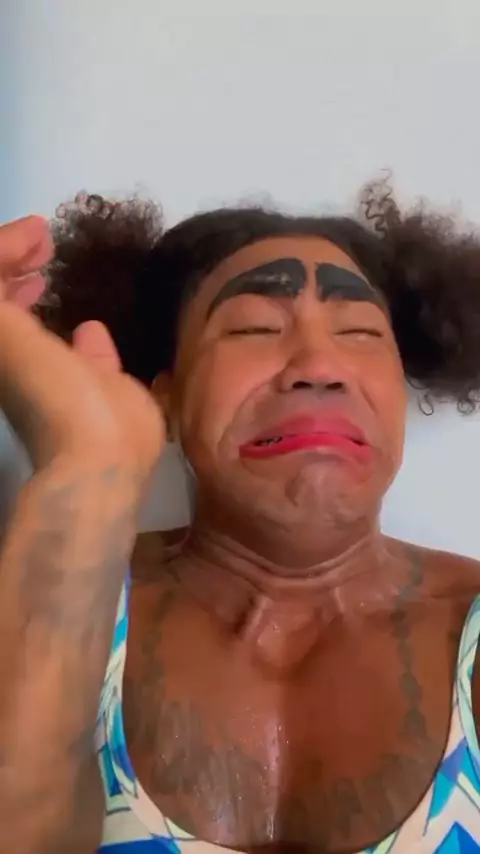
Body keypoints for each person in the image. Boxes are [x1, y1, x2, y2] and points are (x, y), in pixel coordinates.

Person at [2, 180, 480, 854]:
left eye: (360, 332)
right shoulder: (43, 598)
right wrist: (85, 471)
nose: (320, 365)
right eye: (254, 327)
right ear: (164, 398)